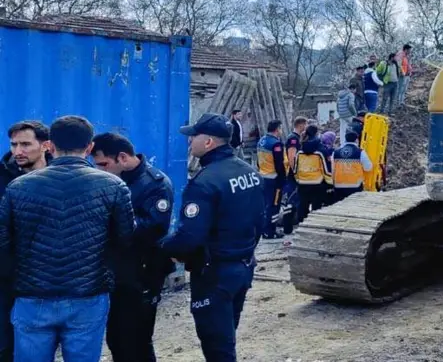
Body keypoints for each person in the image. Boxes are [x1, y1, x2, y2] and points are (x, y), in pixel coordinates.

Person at [0, 115, 134, 362]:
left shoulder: (18, 187)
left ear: (49, 145)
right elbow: (125, 240)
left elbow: (4, 244)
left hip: (32, 296)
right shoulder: (113, 186)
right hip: (88, 296)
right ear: (90, 147)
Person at [160, 113, 266, 362]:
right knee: (227, 336)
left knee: (217, 347)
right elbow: (259, 221)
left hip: (214, 274)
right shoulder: (249, 172)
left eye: (194, 136)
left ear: (208, 142)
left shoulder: (205, 182)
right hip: (242, 267)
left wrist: (162, 248)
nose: (190, 142)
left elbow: (189, 237)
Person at [91, 132, 175, 362]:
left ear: (123, 158)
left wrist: (111, 222)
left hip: (142, 272)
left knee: (137, 340)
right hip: (116, 273)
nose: (100, 170)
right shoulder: (111, 181)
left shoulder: (154, 184)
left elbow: (153, 228)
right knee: (117, 339)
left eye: (104, 164)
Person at [0, 121, 51, 362]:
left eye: (25, 144)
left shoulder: (62, 178)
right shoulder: (2, 179)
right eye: (14, 144)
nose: (17, 151)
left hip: (51, 280)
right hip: (7, 278)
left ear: (45, 146)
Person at [256, 120, 287, 240]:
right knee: (274, 206)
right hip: (273, 179)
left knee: (265, 205)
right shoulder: (276, 144)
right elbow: (279, 164)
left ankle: (264, 229)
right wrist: (282, 179)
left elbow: (258, 160)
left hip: (263, 176)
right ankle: (270, 231)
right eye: (281, 128)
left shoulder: (261, 141)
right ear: (277, 129)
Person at [294, 125, 329, 222]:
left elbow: (295, 168)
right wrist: (330, 181)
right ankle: (314, 224)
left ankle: (301, 224)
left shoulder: (300, 149)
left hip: (302, 182)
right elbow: (325, 168)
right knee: (316, 206)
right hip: (317, 182)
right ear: (316, 133)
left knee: (302, 205)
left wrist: (297, 179)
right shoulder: (321, 149)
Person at [331, 131, 373, 203]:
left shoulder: (336, 152)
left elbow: (332, 169)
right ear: (356, 140)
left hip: (338, 186)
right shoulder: (360, 152)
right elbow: (368, 168)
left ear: (345, 139)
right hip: (355, 187)